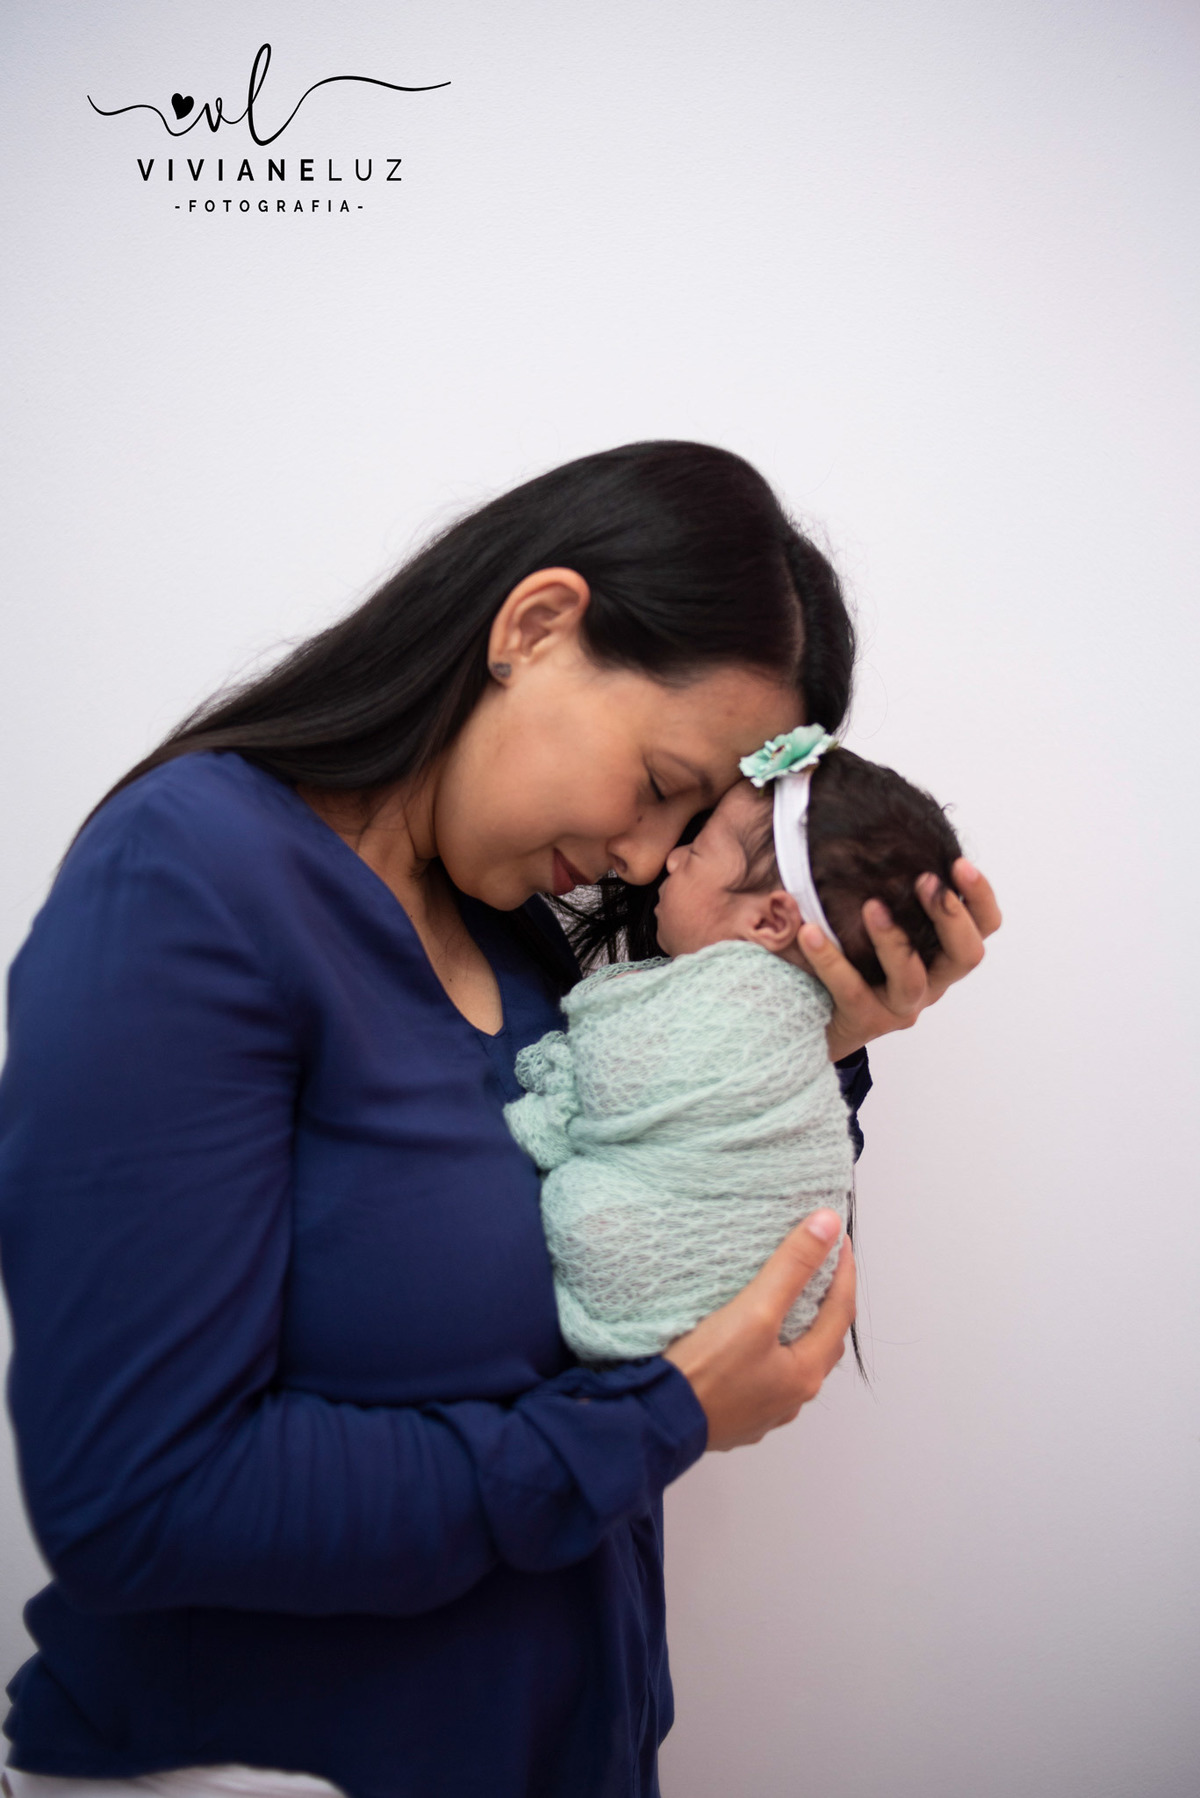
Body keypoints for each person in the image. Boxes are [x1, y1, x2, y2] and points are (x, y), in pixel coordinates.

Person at [0, 442, 999, 1798]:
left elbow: (683, 1231)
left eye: (692, 821)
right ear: (535, 627)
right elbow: (142, 1498)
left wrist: (829, 1041)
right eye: (657, 783)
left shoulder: (525, 944)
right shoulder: (194, 884)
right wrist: (654, 1422)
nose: (649, 858)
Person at [506, 727, 964, 1362]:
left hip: (650, 1291)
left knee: (582, 1203)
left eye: (694, 850)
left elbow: (597, 1092)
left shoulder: (728, 1019)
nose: (667, 858)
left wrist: (534, 1111)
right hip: (736, 1329)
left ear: (771, 920)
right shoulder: (782, 1039)